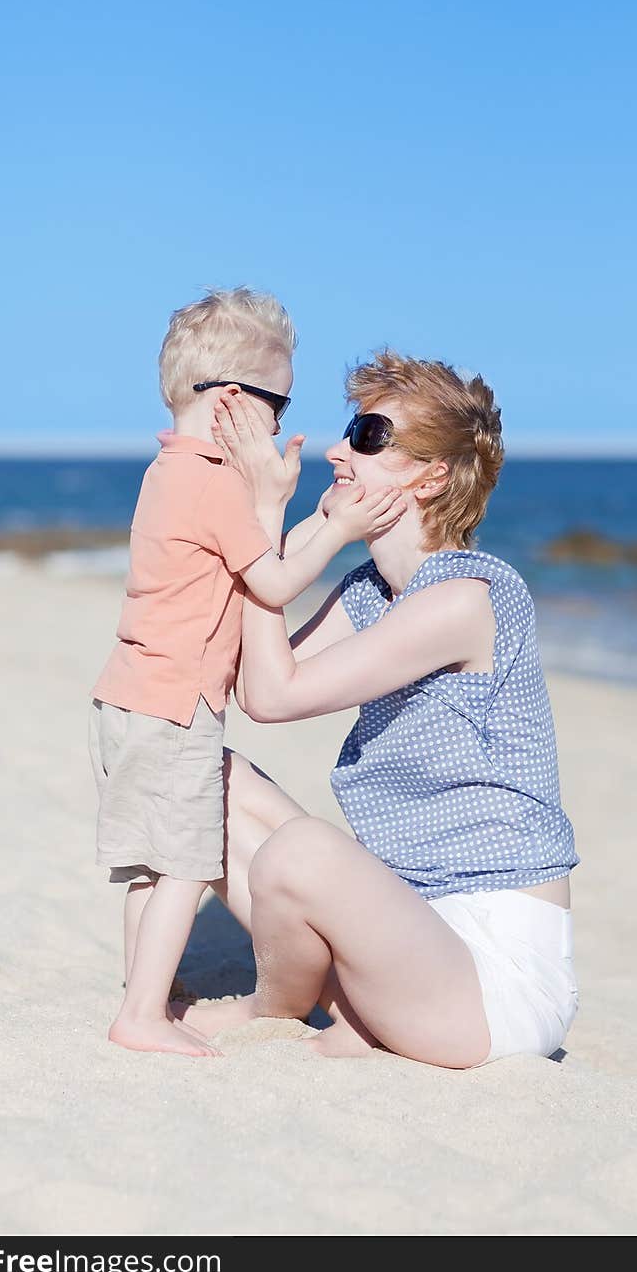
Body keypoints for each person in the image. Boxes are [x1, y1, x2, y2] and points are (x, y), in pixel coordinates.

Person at [176, 349, 580, 1069]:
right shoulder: (370, 591)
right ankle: (347, 1013)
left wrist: (269, 510)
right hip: (403, 928)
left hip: (492, 982)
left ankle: (270, 1012)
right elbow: (251, 675)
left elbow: (274, 697)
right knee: (200, 774)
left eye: (368, 437)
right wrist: (299, 534)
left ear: (431, 477)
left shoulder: (468, 599)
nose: (338, 451)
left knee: (300, 852)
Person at [89, 292, 406, 1058]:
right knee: (184, 866)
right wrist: (338, 527)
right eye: (280, 403)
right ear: (233, 403)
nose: (282, 422)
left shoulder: (171, 470)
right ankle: (140, 1017)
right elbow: (271, 582)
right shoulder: (210, 482)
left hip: (128, 695)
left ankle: (149, 990)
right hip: (176, 705)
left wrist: (273, 500)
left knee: (147, 863)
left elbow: (245, 566)